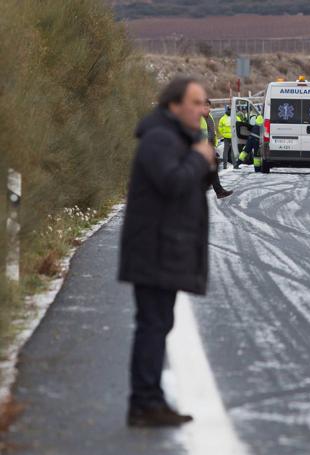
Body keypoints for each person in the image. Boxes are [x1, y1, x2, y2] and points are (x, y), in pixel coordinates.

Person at [119, 78, 215, 427]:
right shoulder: (159, 138)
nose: (204, 110)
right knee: (153, 325)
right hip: (153, 249)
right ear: (174, 105)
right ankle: (144, 403)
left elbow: (188, 181)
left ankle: (151, 400)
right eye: (196, 102)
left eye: (204, 103)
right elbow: (172, 182)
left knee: (158, 324)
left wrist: (202, 161)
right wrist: (196, 158)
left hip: (162, 247)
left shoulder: (175, 137)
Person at [201, 100, 232, 199]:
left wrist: (215, 145)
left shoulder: (210, 117)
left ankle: (219, 191)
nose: (206, 108)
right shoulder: (198, 117)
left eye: (208, 106)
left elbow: (213, 132)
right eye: (204, 106)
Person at [218, 105, 234, 169]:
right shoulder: (234, 117)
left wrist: (223, 134)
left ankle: (225, 166)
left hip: (226, 137)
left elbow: (219, 128)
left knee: (225, 151)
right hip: (233, 137)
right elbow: (240, 123)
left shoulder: (222, 119)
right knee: (233, 151)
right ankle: (235, 165)